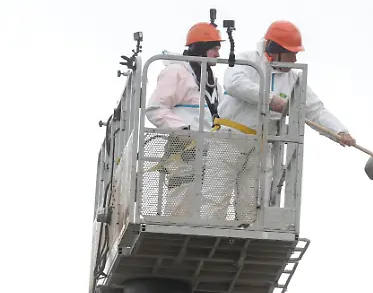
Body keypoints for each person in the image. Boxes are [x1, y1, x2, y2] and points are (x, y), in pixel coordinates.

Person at [201, 20, 356, 223]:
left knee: (251, 202)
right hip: (228, 140)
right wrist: (270, 99)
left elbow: (315, 110)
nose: (294, 59)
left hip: (259, 146)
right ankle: (207, 241)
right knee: (216, 197)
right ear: (275, 49)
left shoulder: (292, 79)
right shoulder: (247, 61)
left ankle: (241, 242)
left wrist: (340, 132)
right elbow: (235, 82)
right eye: (291, 53)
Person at [145, 22, 223, 217]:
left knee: (209, 206)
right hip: (184, 148)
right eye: (214, 49)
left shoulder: (213, 81)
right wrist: (185, 132)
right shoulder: (176, 72)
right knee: (181, 201)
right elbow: (155, 109)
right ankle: (173, 241)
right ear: (202, 48)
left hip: (210, 151)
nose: (218, 54)